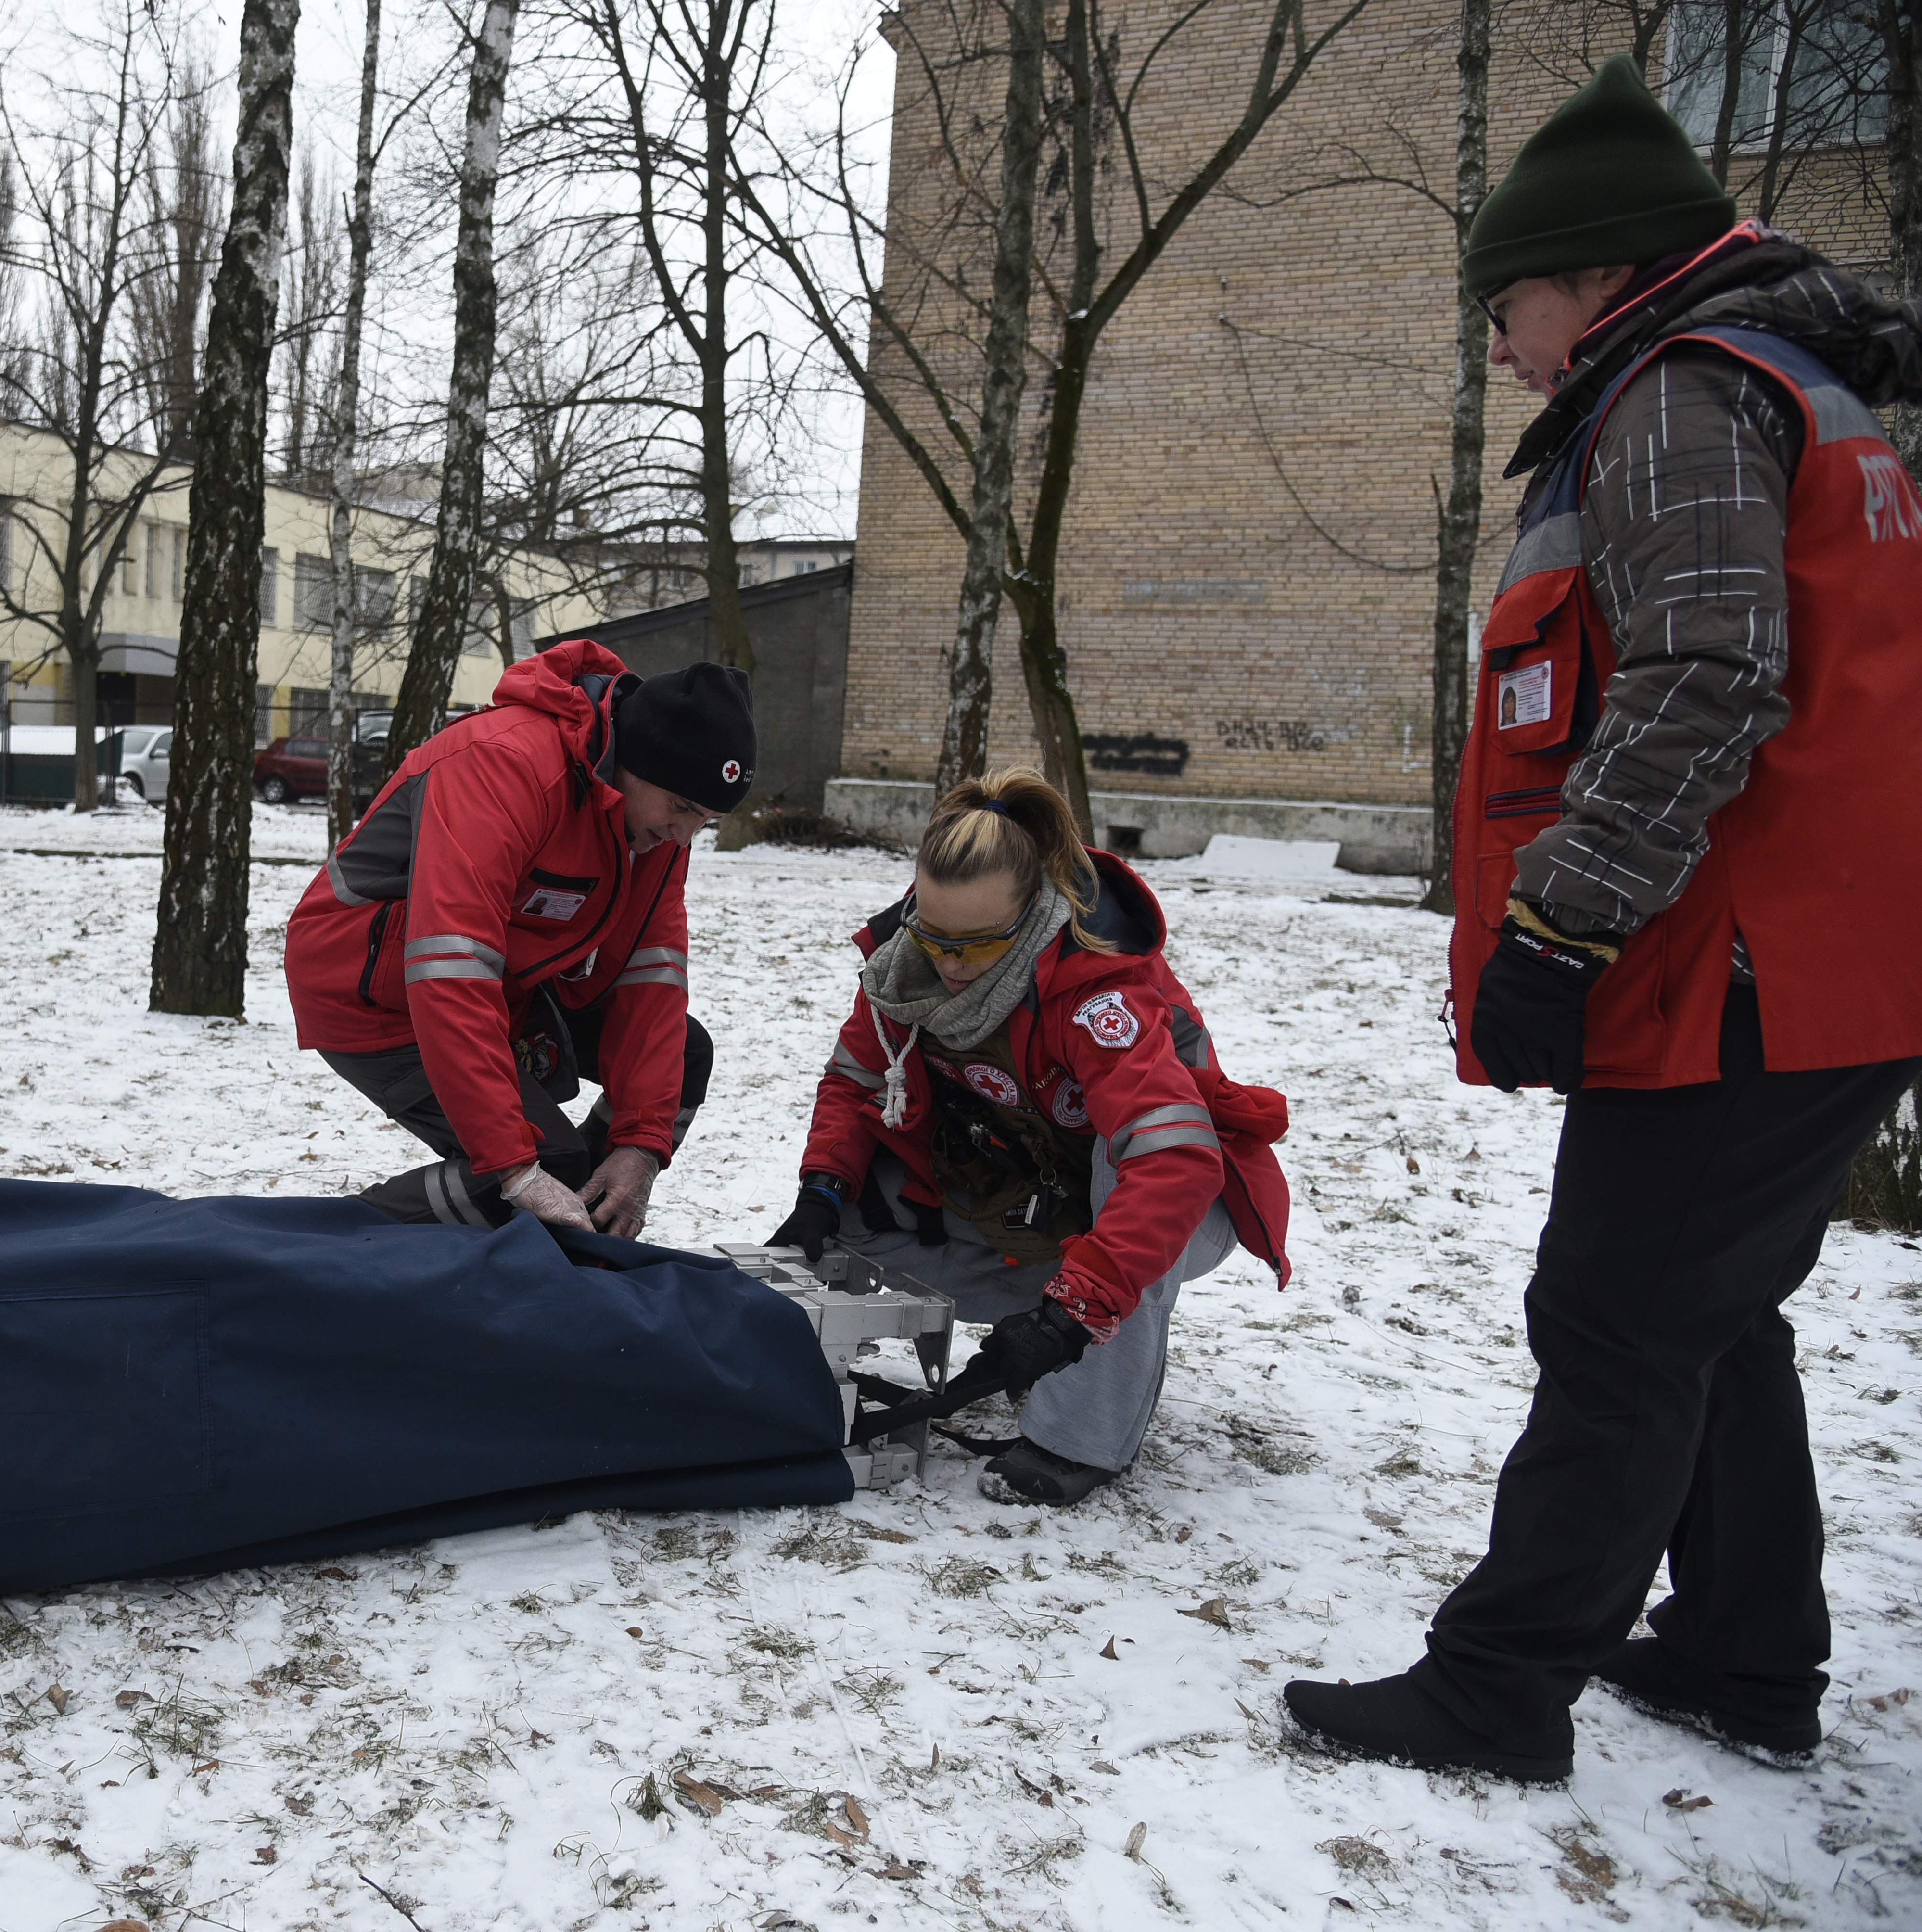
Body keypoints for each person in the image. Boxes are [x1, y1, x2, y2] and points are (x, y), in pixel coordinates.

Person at [1284, 57, 1922, 1784]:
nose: (1498, 346)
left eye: (1506, 305)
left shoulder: (1678, 395)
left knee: (1615, 1323)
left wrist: (1552, 936)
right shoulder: (1779, 385)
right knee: (1710, 1314)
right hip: (1822, 960)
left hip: (1742, 967)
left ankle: (1494, 1693)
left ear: (1592, 274)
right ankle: (1735, 1652)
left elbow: (1702, 679)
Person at [766, 771, 1292, 1505]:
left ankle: (1078, 1438)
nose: (947, 967)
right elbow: (857, 1085)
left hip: (1178, 1204)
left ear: (1031, 916)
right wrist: (823, 1187)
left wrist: (1079, 1309)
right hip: (1025, 1185)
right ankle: (1044, 1315)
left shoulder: (1100, 992)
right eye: (933, 937)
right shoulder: (903, 967)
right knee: (855, 1210)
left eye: (975, 947)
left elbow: (1174, 1160)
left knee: (1128, 1167)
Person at [284, 644, 750, 1237]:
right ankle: (332, 1241)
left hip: (504, 979)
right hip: (372, 989)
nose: (685, 834)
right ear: (631, 757)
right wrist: (514, 1168)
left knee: (683, 1055)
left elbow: (650, 979)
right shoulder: (504, 762)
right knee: (536, 1164)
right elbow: (449, 964)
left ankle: (575, 1222)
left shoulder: (654, 829)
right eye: (682, 807)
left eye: (706, 820)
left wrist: (641, 1147)